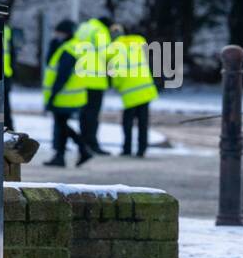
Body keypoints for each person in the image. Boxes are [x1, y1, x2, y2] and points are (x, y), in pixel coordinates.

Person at [42, 19, 92, 167]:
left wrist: (53, 95)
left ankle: (75, 152)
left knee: (61, 125)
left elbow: (62, 75)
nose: (56, 35)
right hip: (73, 95)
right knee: (62, 125)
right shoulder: (75, 46)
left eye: (59, 32)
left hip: (64, 95)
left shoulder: (68, 49)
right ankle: (69, 153)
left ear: (66, 33)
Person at [107, 23, 158, 156]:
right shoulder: (138, 44)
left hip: (130, 91)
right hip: (146, 89)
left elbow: (117, 71)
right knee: (143, 122)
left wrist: (116, 85)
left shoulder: (115, 49)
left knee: (127, 122)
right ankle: (142, 149)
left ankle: (127, 149)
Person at [74, 15, 113, 154]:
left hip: (81, 77)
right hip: (95, 78)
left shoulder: (83, 28)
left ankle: (83, 143)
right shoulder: (100, 30)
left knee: (83, 114)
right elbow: (107, 53)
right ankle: (92, 144)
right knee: (93, 114)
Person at [2, 22, 14, 131]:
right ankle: (9, 129)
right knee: (4, 106)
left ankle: (8, 129)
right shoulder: (7, 30)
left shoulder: (6, 30)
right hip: (5, 73)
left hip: (1, 73)